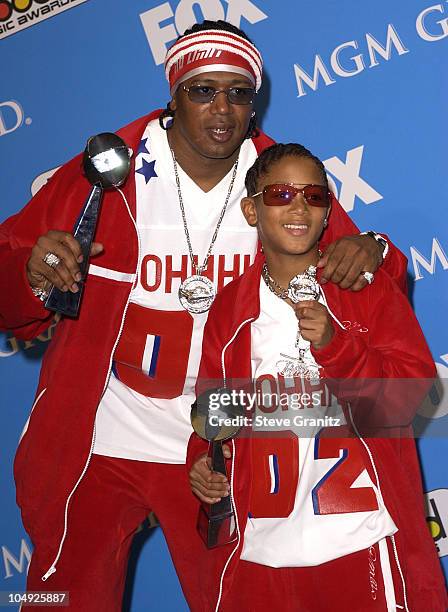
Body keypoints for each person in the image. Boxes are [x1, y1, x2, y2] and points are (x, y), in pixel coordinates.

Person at [0, 20, 407, 612]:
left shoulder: (278, 182)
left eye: (239, 93)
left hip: (219, 451)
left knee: (237, 602)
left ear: (254, 102)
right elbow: (12, 277)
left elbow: (368, 277)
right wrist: (35, 275)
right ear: (173, 94)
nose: (222, 109)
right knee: (60, 599)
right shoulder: (108, 173)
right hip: (104, 440)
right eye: (202, 90)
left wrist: (373, 248)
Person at [187, 143, 448, 611]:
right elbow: (213, 418)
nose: (299, 207)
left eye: (314, 195)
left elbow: (410, 398)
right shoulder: (228, 312)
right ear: (251, 210)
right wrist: (207, 466)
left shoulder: (362, 290)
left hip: (362, 538)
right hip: (263, 551)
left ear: (329, 212)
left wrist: (337, 347)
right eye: (280, 194)